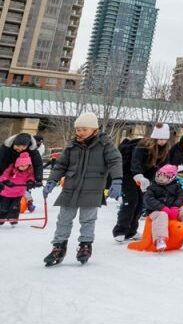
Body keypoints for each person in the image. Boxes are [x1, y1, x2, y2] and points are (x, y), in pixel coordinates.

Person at [41, 112, 123, 266]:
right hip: (71, 187)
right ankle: (58, 246)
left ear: (94, 129)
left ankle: (85, 245)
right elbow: (60, 165)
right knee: (63, 219)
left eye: (84, 129)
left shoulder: (105, 144)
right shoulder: (72, 145)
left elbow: (115, 161)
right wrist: (52, 180)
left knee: (88, 219)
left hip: (93, 188)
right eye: (78, 129)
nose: (80, 132)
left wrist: (117, 180)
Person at [113, 123, 172, 243]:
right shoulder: (142, 146)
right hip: (130, 175)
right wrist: (138, 176)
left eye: (165, 139)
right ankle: (120, 230)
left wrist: (158, 180)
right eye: (160, 139)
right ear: (155, 138)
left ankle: (132, 231)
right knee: (131, 201)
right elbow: (135, 162)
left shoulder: (165, 150)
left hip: (145, 178)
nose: (162, 142)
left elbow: (160, 167)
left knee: (141, 203)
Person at [144, 164, 183, 251]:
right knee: (162, 215)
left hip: (173, 208)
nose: (161, 178)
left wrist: (175, 206)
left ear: (171, 178)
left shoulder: (176, 186)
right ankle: (160, 239)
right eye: (160, 175)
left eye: (165, 176)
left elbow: (181, 196)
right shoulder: (152, 187)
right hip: (156, 210)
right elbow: (148, 199)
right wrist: (162, 207)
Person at [0, 133, 43, 213]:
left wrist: (38, 178)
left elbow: (38, 164)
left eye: (23, 146)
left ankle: (27, 203)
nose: (20, 148)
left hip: (21, 175)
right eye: (17, 146)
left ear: (28, 145)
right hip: (5, 172)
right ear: (13, 143)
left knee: (22, 191)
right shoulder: (5, 148)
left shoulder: (32, 151)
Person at [0, 152, 35, 226]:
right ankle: (1, 219)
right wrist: (6, 181)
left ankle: (13, 220)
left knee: (15, 207)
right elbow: (3, 175)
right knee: (3, 207)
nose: (24, 167)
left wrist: (30, 181)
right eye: (22, 165)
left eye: (26, 165)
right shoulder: (11, 169)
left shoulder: (28, 171)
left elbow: (31, 177)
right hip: (6, 193)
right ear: (17, 164)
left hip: (18, 193)